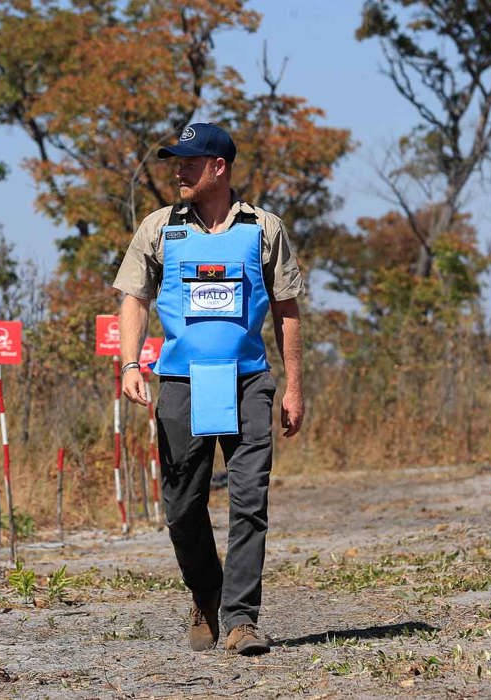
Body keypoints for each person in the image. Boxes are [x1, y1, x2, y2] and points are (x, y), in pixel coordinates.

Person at [112, 122, 304, 656]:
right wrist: (130, 363)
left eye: (190, 162)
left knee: (249, 501)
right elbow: (134, 298)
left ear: (219, 167)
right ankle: (206, 592)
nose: (179, 171)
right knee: (181, 507)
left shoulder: (264, 228)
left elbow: (287, 310)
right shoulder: (159, 228)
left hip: (248, 383)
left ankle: (241, 619)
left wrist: (294, 387)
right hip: (181, 384)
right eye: (177, 161)